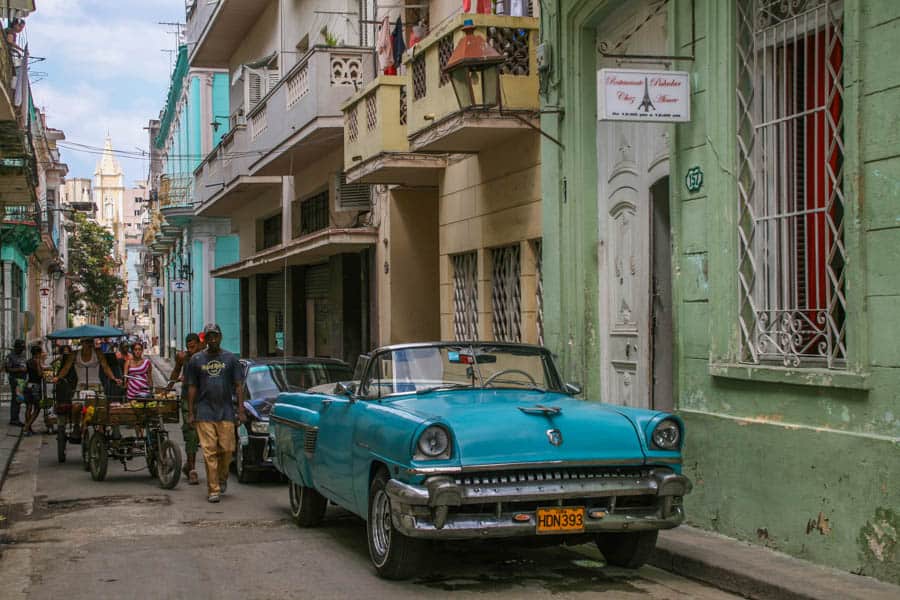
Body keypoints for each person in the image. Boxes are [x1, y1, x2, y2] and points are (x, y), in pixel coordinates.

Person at [186, 324, 244, 503]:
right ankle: (213, 489)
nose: (212, 339)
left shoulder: (230, 359)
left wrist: (240, 410)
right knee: (209, 451)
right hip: (204, 412)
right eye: (209, 336)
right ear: (205, 339)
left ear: (221, 337)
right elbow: (192, 387)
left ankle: (222, 477)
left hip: (226, 411)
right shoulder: (196, 360)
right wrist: (190, 411)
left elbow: (239, 385)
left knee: (227, 450)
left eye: (215, 336)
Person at [167, 333, 203, 485]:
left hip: (204, 399)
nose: (191, 349)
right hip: (188, 399)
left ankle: (188, 465)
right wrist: (168, 387)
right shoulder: (183, 357)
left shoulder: (205, 357)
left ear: (199, 345)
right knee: (190, 432)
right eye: (188, 347)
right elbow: (176, 371)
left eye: (193, 346)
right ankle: (193, 469)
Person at [22, 345, 45, 436]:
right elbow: (39, 374)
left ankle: (29, 429)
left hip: (28, 385)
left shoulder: (28, 361)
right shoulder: (37, 361)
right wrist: (41, 368)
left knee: (28, 407)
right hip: (36, 386)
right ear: (38, 353)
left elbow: (25, 372)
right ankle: (27, 427)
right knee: (37, 408)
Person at [5, 339, 27, 426]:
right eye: (20, 348)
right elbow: (8, 369)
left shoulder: (22, 355)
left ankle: (15, 418)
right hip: (15, 380)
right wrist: (19, 369)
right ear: (16, 347)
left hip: (21, 380)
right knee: (16, 399)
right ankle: (14, 419)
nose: (22, 350)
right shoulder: (10, 356)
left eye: (22, 348)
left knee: (19, 399)